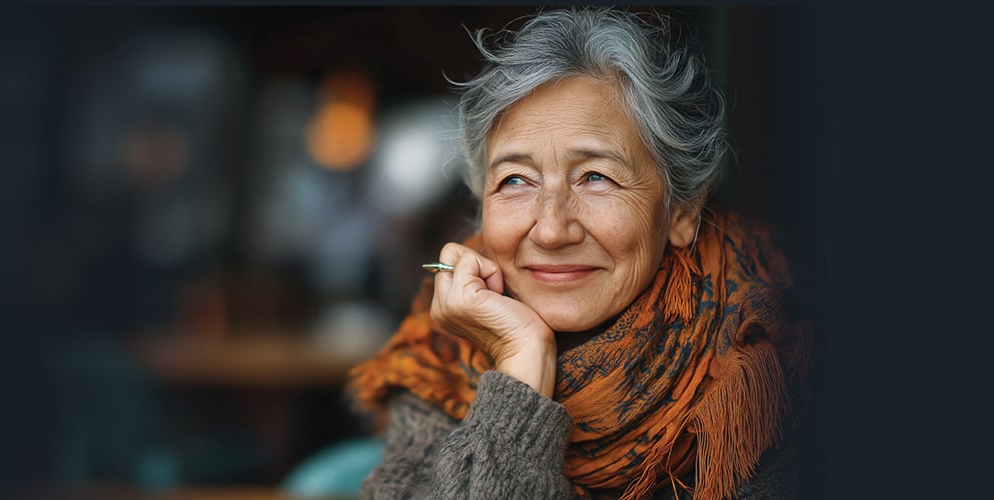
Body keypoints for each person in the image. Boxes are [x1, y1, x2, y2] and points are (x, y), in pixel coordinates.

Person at [347, 7, 812, 500]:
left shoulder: (763, 364)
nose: (550, 229)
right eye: (515, 180)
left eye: (596, 177)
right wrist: (520, 366)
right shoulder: (443, 352)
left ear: (681, 210)